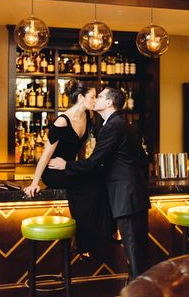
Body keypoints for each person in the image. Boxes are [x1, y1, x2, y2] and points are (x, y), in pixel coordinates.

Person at [48, 87, 151, 281]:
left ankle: (140, 291)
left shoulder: (112, 126)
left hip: (126, 196)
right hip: (133, 194)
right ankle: (141, 288)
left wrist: (66, 165)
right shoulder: (123, 124)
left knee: (135, 253)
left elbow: (94, 162)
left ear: (109, 103)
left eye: (101, 96)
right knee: (138, 252)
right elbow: (144, 159)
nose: (96, 100)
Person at [23, 79, 115, 254]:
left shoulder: (88, 116)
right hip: (54, 171)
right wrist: (35, 182)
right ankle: (82, 241)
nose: (95, 100)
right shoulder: (62, 121)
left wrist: (79, 167)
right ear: (81, 97)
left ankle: (99, 235)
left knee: (100, 181)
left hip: (70, 168)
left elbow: (80, 148)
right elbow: (46, 155)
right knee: (89, 186)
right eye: (93, 97)